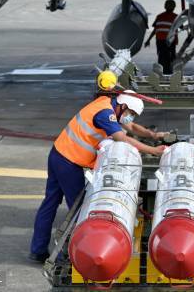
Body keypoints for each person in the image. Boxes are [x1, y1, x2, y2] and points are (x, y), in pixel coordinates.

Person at [28, 91, 167, 263]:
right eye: (130, 113)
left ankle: (38, 249)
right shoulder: (104, 114)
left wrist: (153, 135)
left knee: (50, 203)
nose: (130, 118)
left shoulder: (107, 104)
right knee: (79, 210)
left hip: (58, 154)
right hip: (69, 162)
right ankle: (70, 254)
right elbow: (121, 138)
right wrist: (153, 151)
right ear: (123, 106)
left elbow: (130, 127)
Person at [145, 0, 179, 74]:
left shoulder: (159, 16)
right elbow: (182, 26)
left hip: (160, 41)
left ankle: (161, 72)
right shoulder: (176, 17)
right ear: (174, 7)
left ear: (164, 6)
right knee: (171, 58)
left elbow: (155, 29)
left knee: (161, 57)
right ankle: (170, 73)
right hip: (170, 41)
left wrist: (148, 40)